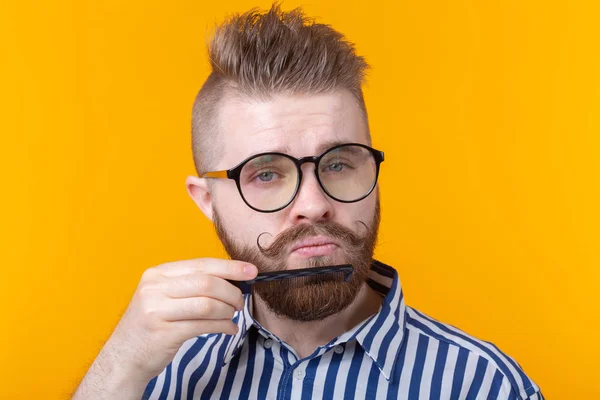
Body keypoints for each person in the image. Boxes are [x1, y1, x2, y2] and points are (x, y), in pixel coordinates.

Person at [73, 4, 544, 399]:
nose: (314, 205)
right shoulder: (151, 375)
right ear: (207, 200)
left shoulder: (486, 385)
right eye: (266, 174)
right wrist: (119, 366)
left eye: (338, 163)